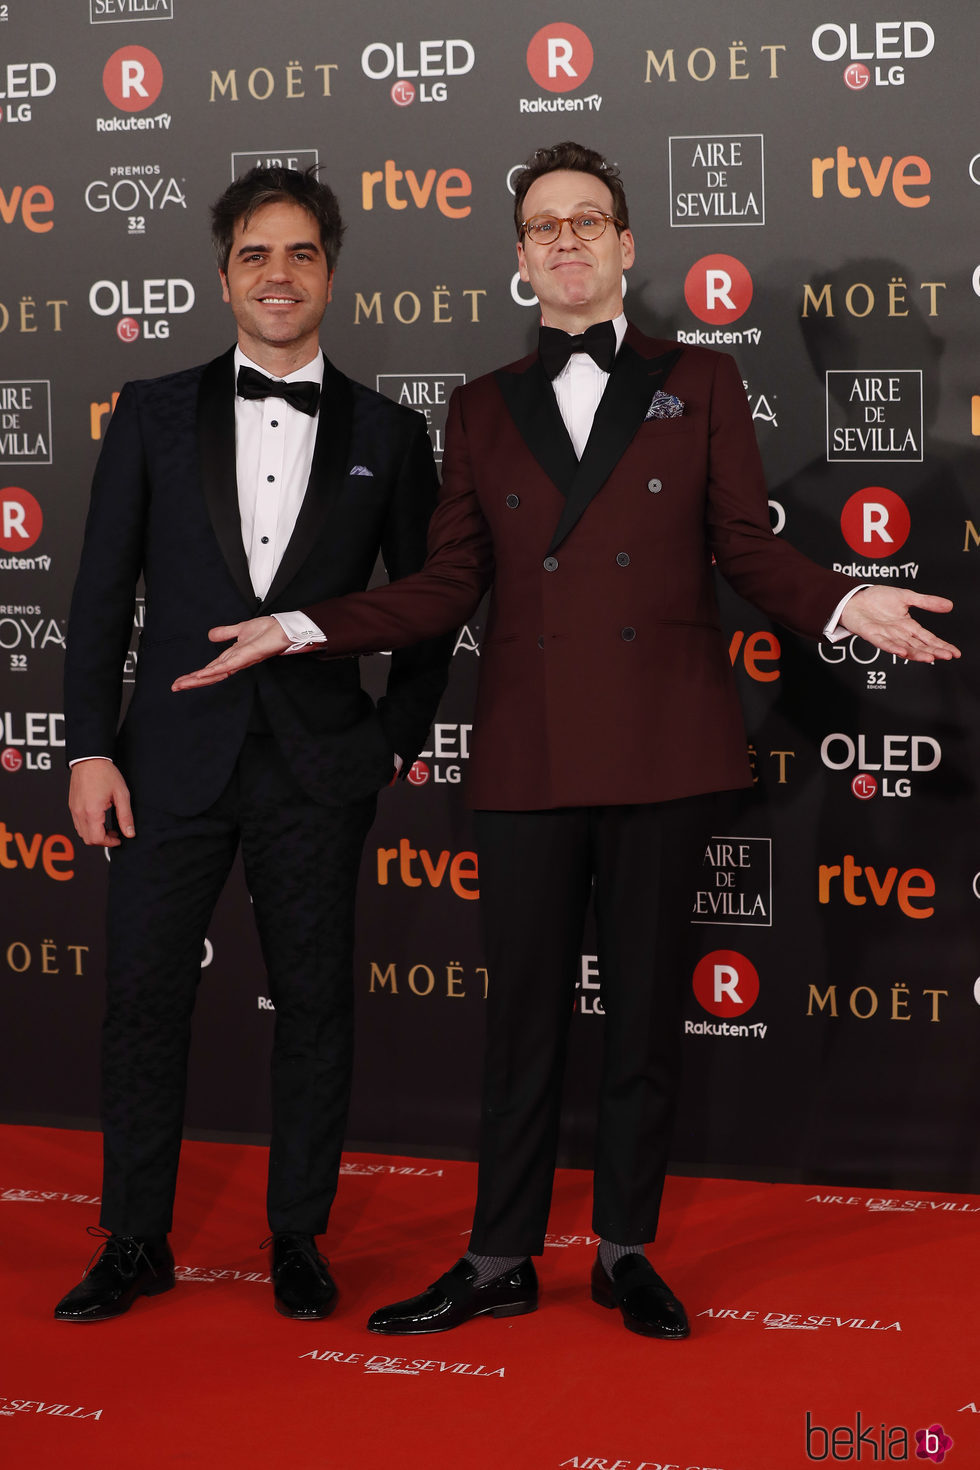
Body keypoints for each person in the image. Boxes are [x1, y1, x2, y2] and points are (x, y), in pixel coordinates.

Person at [173, 142, 959, 1340]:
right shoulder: (479, 407)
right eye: (543, 226)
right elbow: (445, 588)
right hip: (530, 756)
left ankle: (626, 1253)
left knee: (644, 1018)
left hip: (662, 751)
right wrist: (301, 623)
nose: (566, 241)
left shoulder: (699, 380)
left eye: (587, 221)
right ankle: (496, 1257)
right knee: (521, 1021)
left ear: (625, 246)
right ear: (520, 258)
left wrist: (847, 602)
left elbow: (745, 549)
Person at [56, 165, 450, 1324]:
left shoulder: (388, 428)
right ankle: (135, 1238)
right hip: (165, 763)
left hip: (319, 769)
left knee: (317, 1005)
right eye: (254, 256)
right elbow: (97, 598)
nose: (278, 276)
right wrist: (88, 750)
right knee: (138, 1000)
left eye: (301, 255)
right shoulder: (149, 410)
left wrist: (392, 739)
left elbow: (429, 602)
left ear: (331, 271)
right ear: (222, 274)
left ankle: (296, 1235)